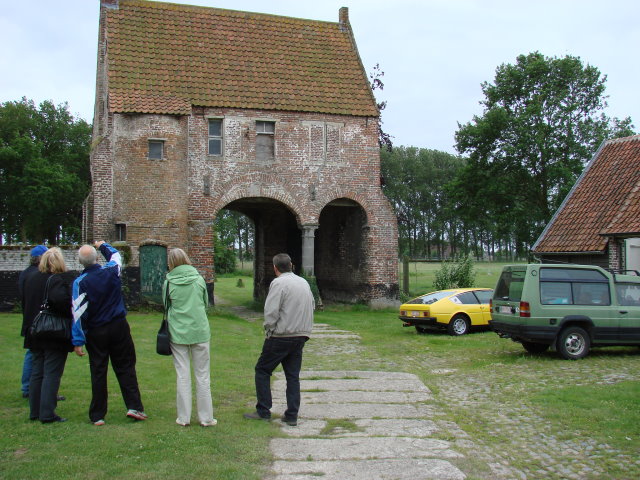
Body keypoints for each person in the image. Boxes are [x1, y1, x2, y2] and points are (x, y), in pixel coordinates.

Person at [71, 241, 147, 426]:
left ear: (81, 263)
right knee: (126, 366)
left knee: (98, 370)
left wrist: (78, 340)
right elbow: (117, 256)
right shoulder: (111, 271)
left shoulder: (80, 283)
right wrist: (103, 244)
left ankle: (98, 415)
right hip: (118, 326)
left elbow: (78, 314)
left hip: (97, 331)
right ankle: (134, 406)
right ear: (96, 258)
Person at [244, 253, 314, 426]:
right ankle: (291, 415)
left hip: (281, 335)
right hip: (301, 335)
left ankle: (263, 410)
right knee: (292, 376)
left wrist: (269, 330)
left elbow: (271, 312)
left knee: (262, 370)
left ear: (275, 268)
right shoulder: (303, 282)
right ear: (291, 264)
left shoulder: (278, 283)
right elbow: (311, 304)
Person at [163, 248, 216, 427]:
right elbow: (205, 302)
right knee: (203, 375)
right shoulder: (199, 280)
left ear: (171, 263)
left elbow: (165, 305)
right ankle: (206, 418)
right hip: (199, 330)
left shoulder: (168, 283)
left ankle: (183, 418)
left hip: (178, 332)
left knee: (182, 374)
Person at [21, 247, 73, 423]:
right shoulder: (56, 280)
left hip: (34, 330)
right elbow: (62, 304)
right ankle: (47, 413)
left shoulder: (31, 278)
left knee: (37, 372)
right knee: (51, 372)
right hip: (52, 332)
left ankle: (35, 411)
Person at [17, 245, 47, 399]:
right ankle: (29, 387)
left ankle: (29, 387)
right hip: (37, 321)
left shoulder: (25, 274)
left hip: (29, 318)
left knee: (33, 353)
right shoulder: (37, 275)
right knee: (35, 354)